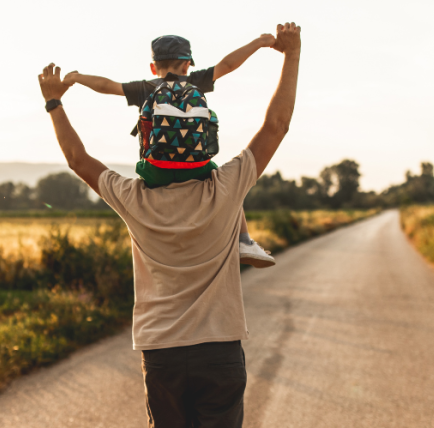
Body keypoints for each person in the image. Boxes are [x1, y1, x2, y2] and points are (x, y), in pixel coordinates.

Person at [38, 22, 301, 428]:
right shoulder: (226, 187)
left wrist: (55, 102)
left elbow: (77, 157)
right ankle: (245, 241)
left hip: (161, 352)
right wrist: (291, 53)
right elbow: (276, 125)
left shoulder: (133, 198)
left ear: (147, 138)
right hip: (220, 350)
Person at [62, 34, 277, 268]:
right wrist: (259, 43)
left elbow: (106, 86)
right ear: (187, 63)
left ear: (154, 67)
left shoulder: (147, 88)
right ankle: (243, 240)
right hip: (198, 168)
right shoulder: (196, 82)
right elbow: (228, 64)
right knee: (229, 185)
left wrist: (77, 77)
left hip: (155, 172)